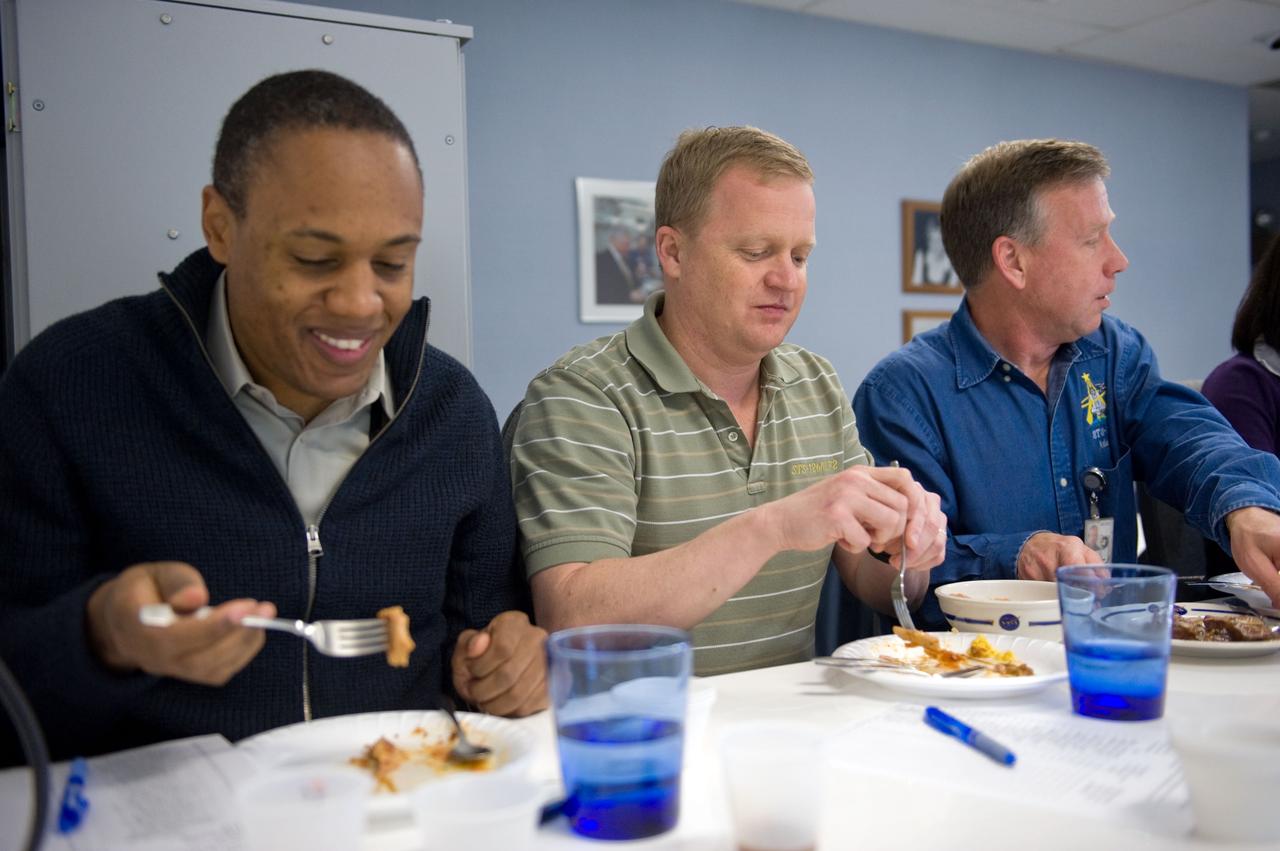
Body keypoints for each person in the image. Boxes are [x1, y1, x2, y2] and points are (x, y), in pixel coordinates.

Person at [0, 71, 546, 765]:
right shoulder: (68, 385)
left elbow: (486, 627)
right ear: (220, 226)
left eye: (393, 262)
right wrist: (99, 634)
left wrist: (506, 655)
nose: (358, 302)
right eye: (314, 258)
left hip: (397, 803)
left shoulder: (452, 411)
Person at [509, 126, 947, 676]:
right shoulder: (582, 394)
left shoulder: (817, 382)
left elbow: (876, 586)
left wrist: (910, 550)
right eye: (755, 251)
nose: (786, 280)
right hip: (645, 736)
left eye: (800, 255)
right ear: (672, 251)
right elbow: (572, 616)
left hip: (786, 732)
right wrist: (773, 527)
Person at [853, 138, 1280, 630]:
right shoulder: (903, 395)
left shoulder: (1116, 354)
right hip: (977, 673)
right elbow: (907, 571)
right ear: (1013, 261)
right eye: (1092, 239)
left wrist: (1247, 507)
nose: (1118, 261)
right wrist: (1016, 556)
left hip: (1105, 654)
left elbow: (1191, 439)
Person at [911, 216, 957, 286]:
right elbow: (915, 286)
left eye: (939, 240)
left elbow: (953, 289)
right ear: (928, 240)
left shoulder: (953, 262)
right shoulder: (921, 256)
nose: (936, 245)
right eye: (933, 240)